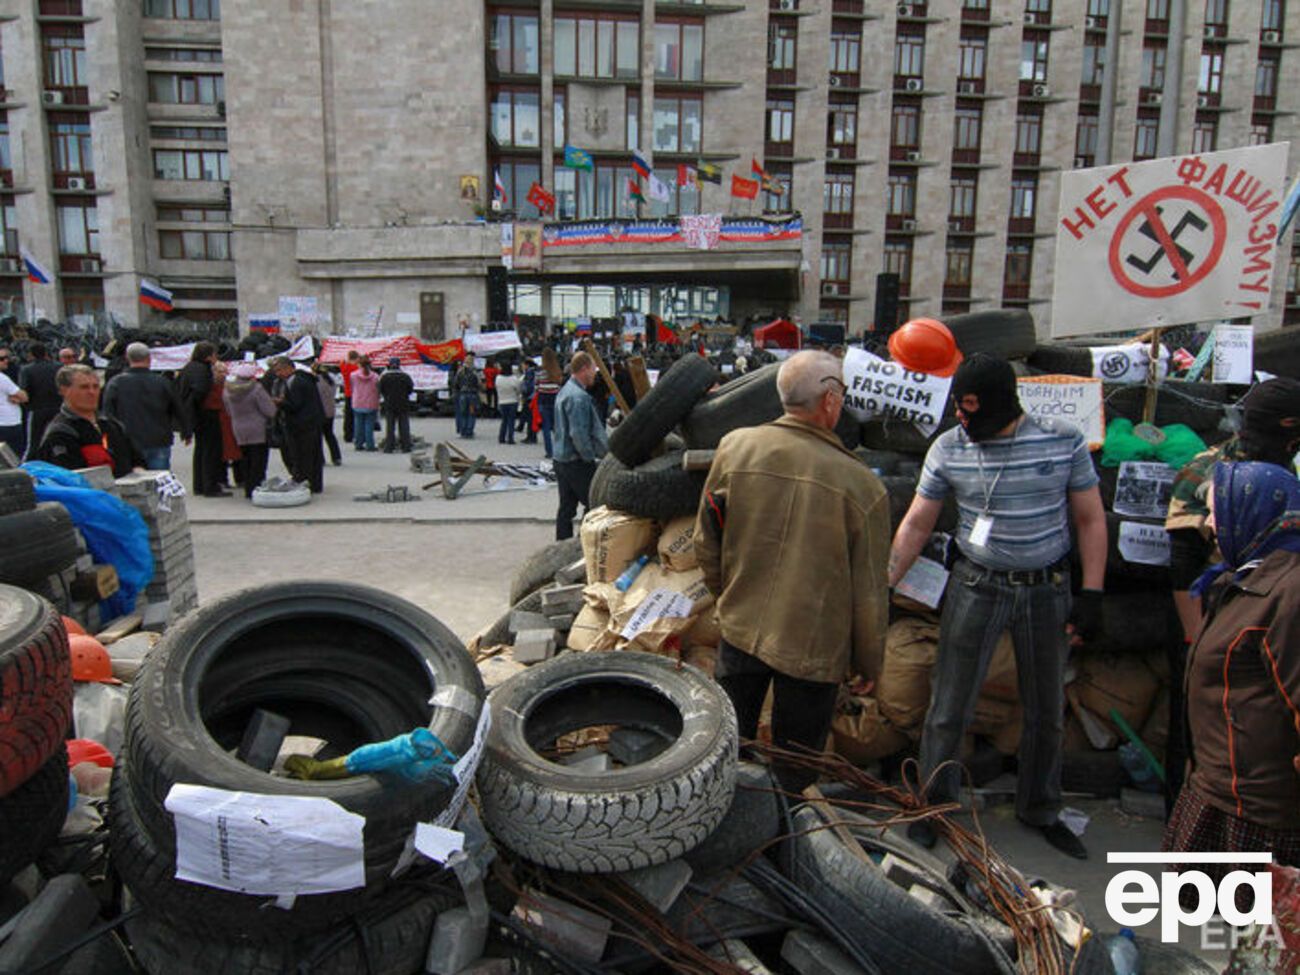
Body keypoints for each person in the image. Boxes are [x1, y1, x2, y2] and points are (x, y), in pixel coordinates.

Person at [889, 353, 1107, 860]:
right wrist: (887, 582)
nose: (963, 419)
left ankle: (1041, 808)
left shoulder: (1062, 439)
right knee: (949, 705)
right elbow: (918, 522)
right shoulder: (949, 447)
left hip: (1047, 588)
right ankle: (933, 807)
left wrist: (1092, 593)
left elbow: (1090, 519)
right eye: (959, 408)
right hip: (977, 585)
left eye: (972, 408)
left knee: (1046, 708)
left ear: (1002, 402)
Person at [694, 350, 889, 791]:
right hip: (812, 648)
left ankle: (727, 816)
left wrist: (726, 596)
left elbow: (707, 539)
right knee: (795, 766)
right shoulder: (862, 485)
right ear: (830, 399)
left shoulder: (735, 447)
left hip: (740, 627)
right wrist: (867, 662)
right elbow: (869, 592)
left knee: (728, 749)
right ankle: (786, 823)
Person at [1163, 461, 1300, 894]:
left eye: (1215, 511)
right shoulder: (1244, 578)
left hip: (1260, 811)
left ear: (1252, 512)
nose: (1208, 523)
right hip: (1221, 789)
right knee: (1224, 925)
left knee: (1260, 927)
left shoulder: (1289, 595)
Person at [1163, 376, 1300, 810]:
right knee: (1200, 731)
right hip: (1216, 618)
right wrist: (1197, 638)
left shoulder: (1288, 467)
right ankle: (1185, 808)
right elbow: (1183, 565)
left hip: (1276, 618)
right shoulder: (1209, 470)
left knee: (1261, 730)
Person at [36, 364, 141, 477]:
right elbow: (67, 478)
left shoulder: (112, 426)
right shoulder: (60, 433)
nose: (92, 392)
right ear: (64, 390)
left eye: (96, 387)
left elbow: (137, 461)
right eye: (84, 387)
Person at [102, 342, 185, 471]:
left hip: (128, 440)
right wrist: (186, 429)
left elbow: (108, 412)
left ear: (127, 358)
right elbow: (177, 407)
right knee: (158, 477)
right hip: (158, 438)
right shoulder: (162, 382)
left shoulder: (116, 383)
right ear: (149, 358)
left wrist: (110, 436)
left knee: (132, 478)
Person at [551, 352, 607, 540]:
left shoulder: (565, 390)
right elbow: (578, 434)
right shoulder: (579, 397)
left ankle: (562, 545)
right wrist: (589, 457)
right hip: (576, 461)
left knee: (566, 507)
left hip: (561, 459)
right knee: (595, 503)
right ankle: (583, 543)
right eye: (593, 369)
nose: (595, 374)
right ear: (584, 369)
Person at [176, 342, 226, 497]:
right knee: (211, 451)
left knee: (201, 450)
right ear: (208, 356)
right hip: (206, 414)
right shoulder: (203, 370)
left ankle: (200, 484)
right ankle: (210, 486)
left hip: (196, 415)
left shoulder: (189, 367)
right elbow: (200, 391)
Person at [223, 361, 277, 498]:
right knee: (258, 460)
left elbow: (228, 410)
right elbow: (270, 410)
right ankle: (257, 487)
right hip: (258, 428)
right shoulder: (256, 389)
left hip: (238, 427)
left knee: (245, 459)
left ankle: (248, 487)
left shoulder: (227, 390)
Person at [271, 357, 325, 492]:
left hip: (303, 424)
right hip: (309, 423)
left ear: (288, 368)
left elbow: (295, 405)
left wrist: (280, 402)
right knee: (310, 455)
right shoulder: (301, 379)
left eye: (279, 370)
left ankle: (305, 481)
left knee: (304, 455)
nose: (278, 374)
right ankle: (312, 483)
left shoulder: (297, 382)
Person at [19, 342, 61, 460]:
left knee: (33, 442)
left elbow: (24, 391)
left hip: (37, 409)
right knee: (57, 438)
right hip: (58, 408)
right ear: (46, 353)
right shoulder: (58, 367)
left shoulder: (27, 370)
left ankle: (27, 465)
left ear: (31, 354)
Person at [377, 356, 414, 453]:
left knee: (390, 426)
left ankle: (389, 447)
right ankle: (406, 446)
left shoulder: (385, 377)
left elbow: (381, 390)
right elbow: (410, 389)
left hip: (389, 403)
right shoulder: (405, 376)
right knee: (404, 425)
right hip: (403, 403)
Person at [350, 356, 380, 451]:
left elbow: (352, 387)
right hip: (371, 403)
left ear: (359, 364)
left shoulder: (353, 375)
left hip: (357, 402)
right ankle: (370, 445)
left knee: (358, 424)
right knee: (369, 425)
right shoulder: (375, 376)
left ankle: (358, 444)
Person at [536, 352, 562, 459]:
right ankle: (560, 449)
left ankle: (549, 451)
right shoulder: (557, 371)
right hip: (555, 399)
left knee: (545, 427)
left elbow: (536, 386)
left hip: (543, 399)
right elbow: (560, 386)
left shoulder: (540, 372)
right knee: (557, 427)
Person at [315, 363, 342, 465]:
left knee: (318, 436)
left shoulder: (316, 381)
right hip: (330, 410)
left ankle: (320, 458)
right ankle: (336, 457)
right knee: (330, 435)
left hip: (319, 411)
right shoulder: (331, 381)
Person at [0, 349, 26, 457]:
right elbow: (24, 397)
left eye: (7, 358)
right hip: (9, 423)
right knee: (14, 457)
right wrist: (18, 399)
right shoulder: (3, 379)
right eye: (1, 359)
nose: (6, 361)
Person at [453, 362, 482, 439]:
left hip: (463, 395)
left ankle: (463, 432)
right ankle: (469, 432)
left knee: (463, 414)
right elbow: (479, 384)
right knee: (471, 414)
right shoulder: (475, 374)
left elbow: (455, 384)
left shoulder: (460, 373)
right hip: (472, 395)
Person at [496, 363, 521, 445]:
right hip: (512, 400)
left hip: (502, 401)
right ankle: (510, 438)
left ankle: (501, 437)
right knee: (511, 420)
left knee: (504, 420)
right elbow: (518, 389)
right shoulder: (514, 378)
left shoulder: (498, 378)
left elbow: (497, 388)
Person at [340, 349, 361, 443]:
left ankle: (347, 435)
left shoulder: (344, 367)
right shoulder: (356, 368)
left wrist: (346, 360)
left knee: (348, 416)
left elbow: (341, 362)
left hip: (347, 393)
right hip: (356, 393)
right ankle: (356, 434)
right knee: (356, 415)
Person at [518, 360, 538, 441]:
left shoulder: (529, 372)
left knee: (530, 417)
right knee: (532, 417)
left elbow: (528, 385)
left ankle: (530, 436)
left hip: (529, 397)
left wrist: (524, 392)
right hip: (534, 396)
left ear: (527, 365)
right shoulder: (535, 371)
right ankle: (533, 435)